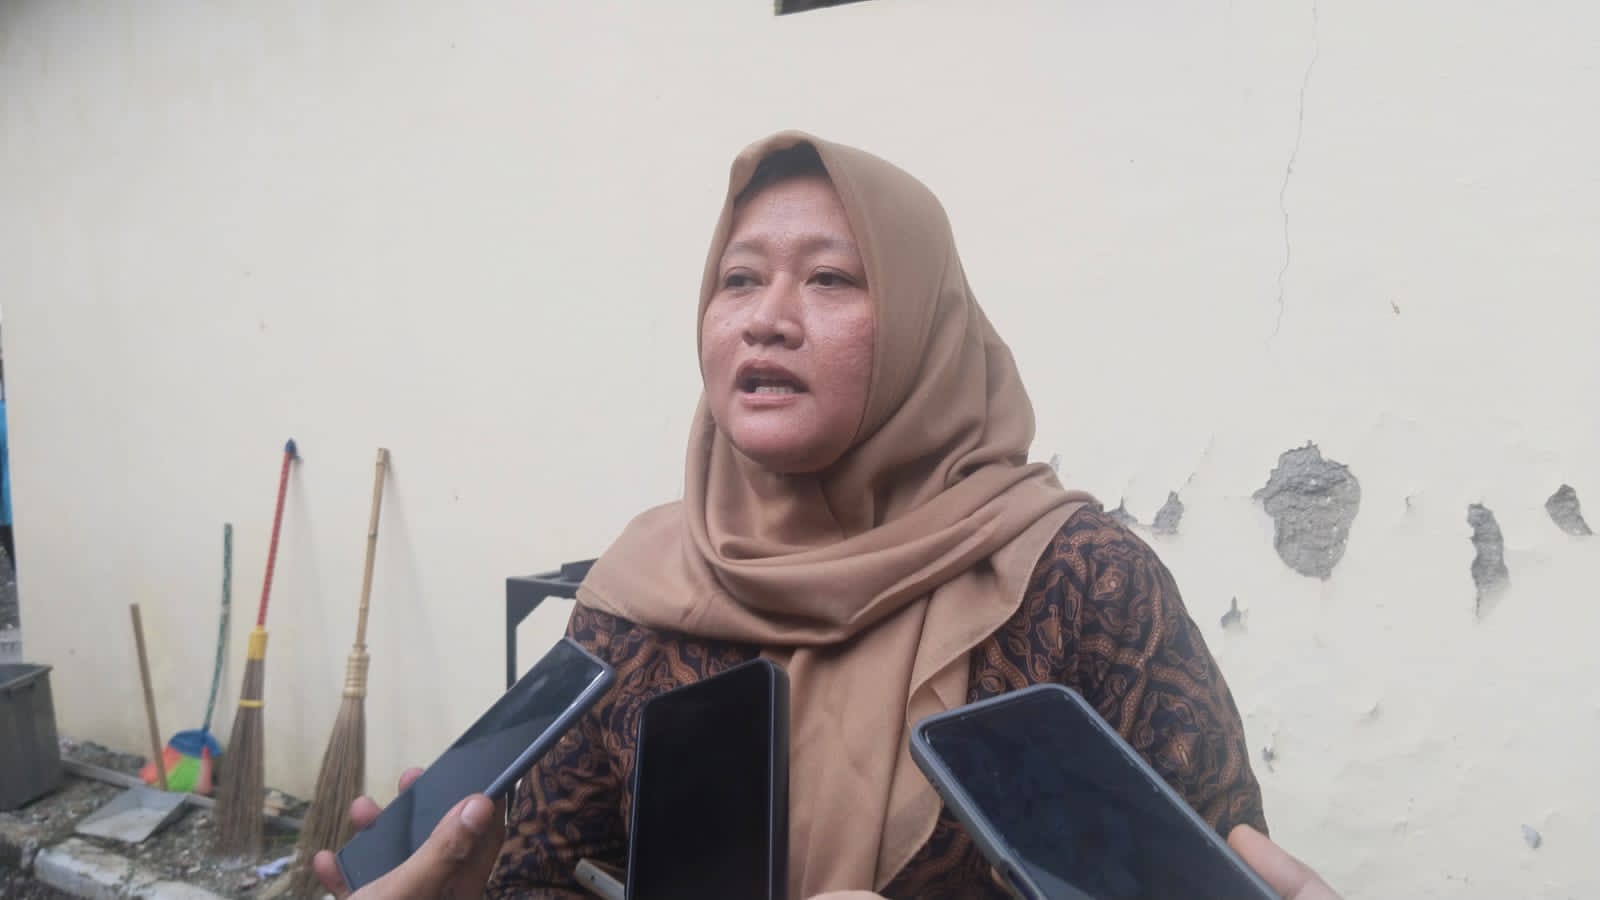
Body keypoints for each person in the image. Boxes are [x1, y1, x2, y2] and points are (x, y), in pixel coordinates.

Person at [314, 132, 1342, 899]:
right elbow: (544, 872)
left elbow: (1205, 871)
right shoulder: (640, 588)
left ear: (924, 329)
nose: (767, 317)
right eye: (739, 279)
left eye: (831, 278)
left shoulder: (1077, 583)